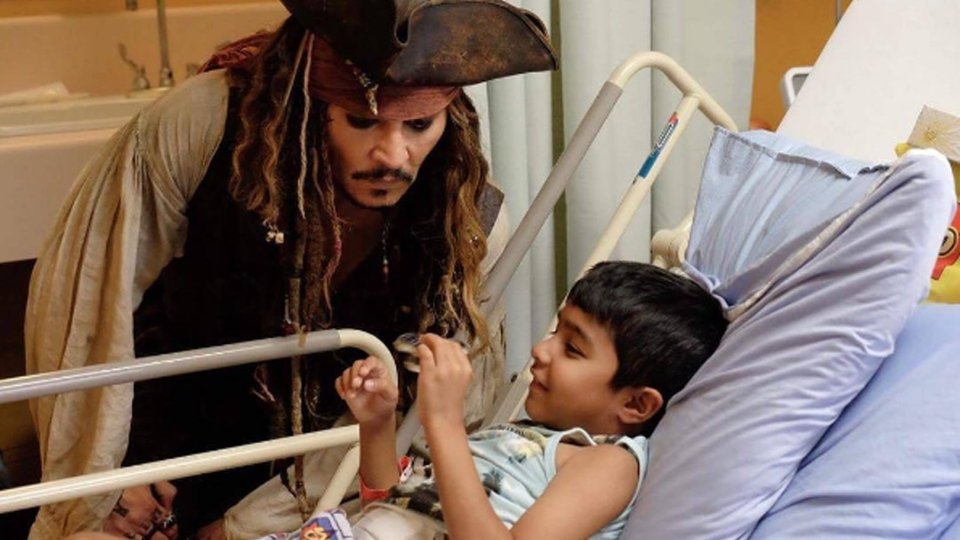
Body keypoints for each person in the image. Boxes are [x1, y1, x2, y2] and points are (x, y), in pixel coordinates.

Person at [24, 1, 557, 538]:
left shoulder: (467, 220)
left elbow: (423, 422)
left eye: (419, 125)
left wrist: (245, 526)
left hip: (328, 487)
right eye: (362, 120)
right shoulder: (205, 123)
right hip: (166, 451)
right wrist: (109, 477)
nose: (393, 156)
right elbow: (92, 302)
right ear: (311, 103)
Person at [289, 261, 724, 539]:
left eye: (573, 349)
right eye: (555, 332)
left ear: (636, 405)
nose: (541, 350)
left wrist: (444, 423)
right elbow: (389, 511)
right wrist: (377, 425)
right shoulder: (515, 437)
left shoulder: (609, 464)